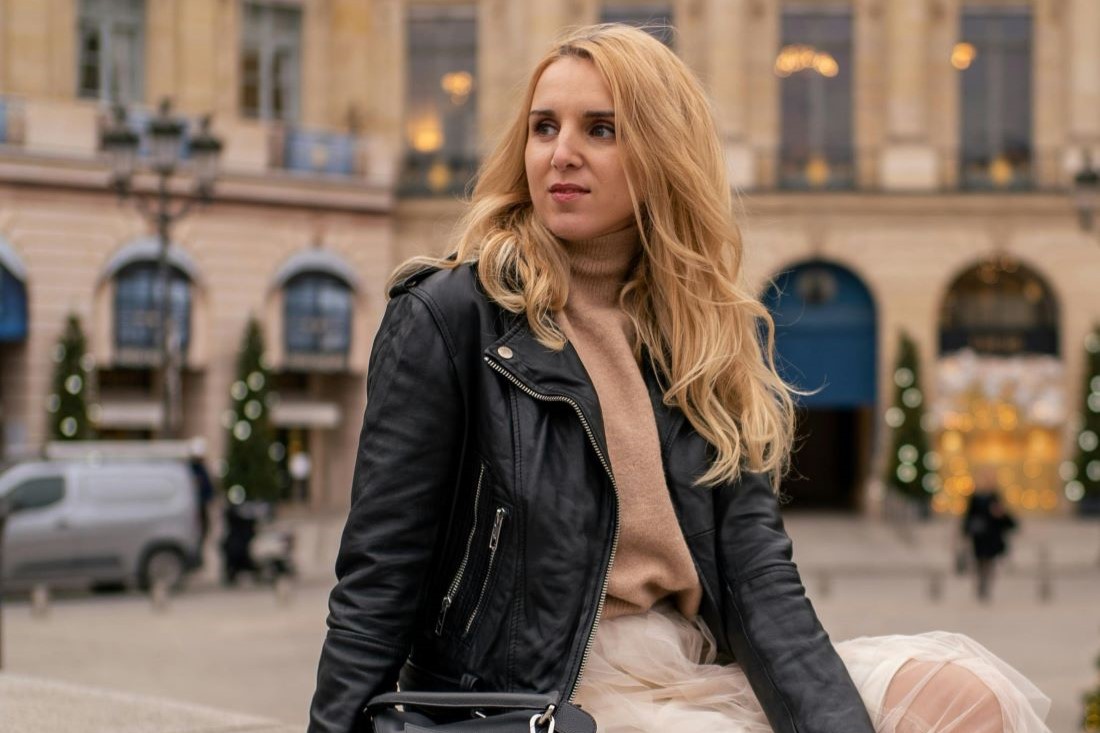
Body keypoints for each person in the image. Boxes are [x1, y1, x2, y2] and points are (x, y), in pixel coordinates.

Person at [309, 24, 1050, 733]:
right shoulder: (450, 316)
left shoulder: (704, 334)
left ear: (662, 150)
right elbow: (379, 577)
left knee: (967, 697)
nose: (562, 153)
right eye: (544, 127)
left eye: (601, 129)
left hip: (691, 669)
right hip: (538, 695)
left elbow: (760, 580)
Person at [962, 469, 1018, 602]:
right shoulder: (974, 498)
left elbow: (1005, 518)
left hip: (992, 536)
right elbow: (968, 517)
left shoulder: (995, 497)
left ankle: (986, 585)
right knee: (979, 561)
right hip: (979, 537)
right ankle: (981, 584)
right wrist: (966, 531)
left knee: (990, 562)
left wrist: (999, 515)